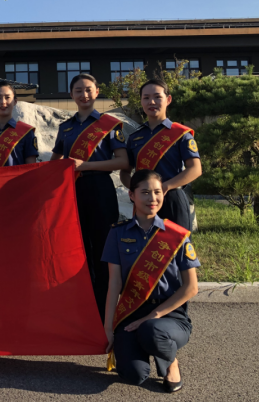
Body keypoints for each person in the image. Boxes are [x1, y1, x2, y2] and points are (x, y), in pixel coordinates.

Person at [103, 169, 199, 392]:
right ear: (132, 195)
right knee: (134, 375)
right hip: (131, 312)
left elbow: (191, 288)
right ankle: (142, 347)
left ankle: (170, 361)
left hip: (169, 316)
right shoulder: (117, 234)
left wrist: (153, 315)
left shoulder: (177, 236)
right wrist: (108, 328)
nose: (152, 198)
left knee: (152, 331)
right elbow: (114, 284)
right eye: (145, 192)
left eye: (157, 192)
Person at [50, 74, 129, 322]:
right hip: (72, 191)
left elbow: (123, 161)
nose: (83, 95)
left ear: (96, 92)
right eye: (78, 90)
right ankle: (83, 306)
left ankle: (105, 308)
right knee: (78, 248)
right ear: (71, 94)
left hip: (100, 188)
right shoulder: (65, 127)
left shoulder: (110, 125)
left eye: (88, 90)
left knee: (103, 248)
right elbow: (55, 163)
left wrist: (86, 165)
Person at [120, 79, 202, 231]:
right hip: (144, 202)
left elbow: (195, 169)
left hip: (172, 198)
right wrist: (137, 192)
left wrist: (164, 187)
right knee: (145, 243)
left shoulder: (180, 134)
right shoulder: (134, 137)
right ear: (141, 101)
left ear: (168, 99)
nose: (151, 102)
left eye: (157, 97)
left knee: (176, 243)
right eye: (146, 98)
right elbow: (125, 172)